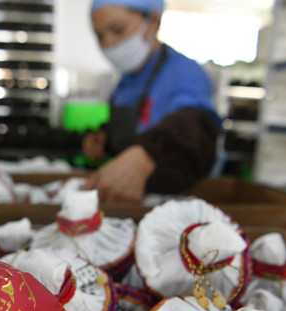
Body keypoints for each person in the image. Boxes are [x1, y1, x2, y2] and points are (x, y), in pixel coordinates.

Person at [82, 0, 220, 202]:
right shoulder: (125, 82)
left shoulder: (183, 73)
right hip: (129, 201)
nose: (108, 44)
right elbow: (131, 130)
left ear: (153, 21)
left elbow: (195, 127)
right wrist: (104, 139)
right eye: (100, 36)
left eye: (117, 30)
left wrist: (148, 154)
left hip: (177, 201)